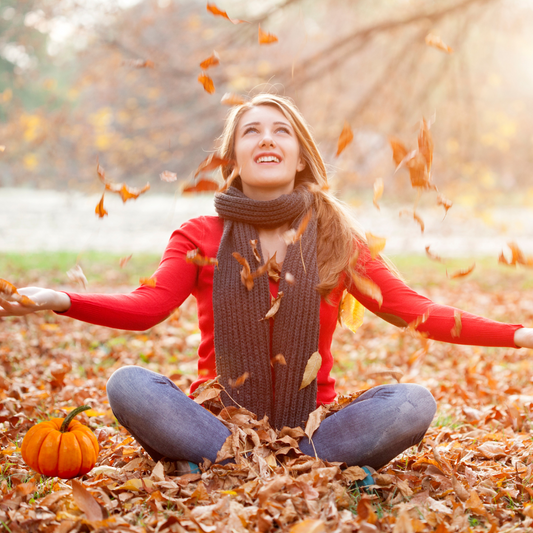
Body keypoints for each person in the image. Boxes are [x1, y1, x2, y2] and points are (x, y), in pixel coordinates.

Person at [1, 94, 532, 477]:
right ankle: (243, 457)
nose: (267, 139)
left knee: (411, 402)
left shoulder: (337, 238)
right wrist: (61, 300)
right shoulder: (199, 235)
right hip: (218, 421)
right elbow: (148, 306)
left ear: (301, 156)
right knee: (128, 385)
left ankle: (251, 466)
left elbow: (412, 309)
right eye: (251, 131)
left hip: (313, 432)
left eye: (281, 131)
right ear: (233, 159)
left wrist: (517, 335)